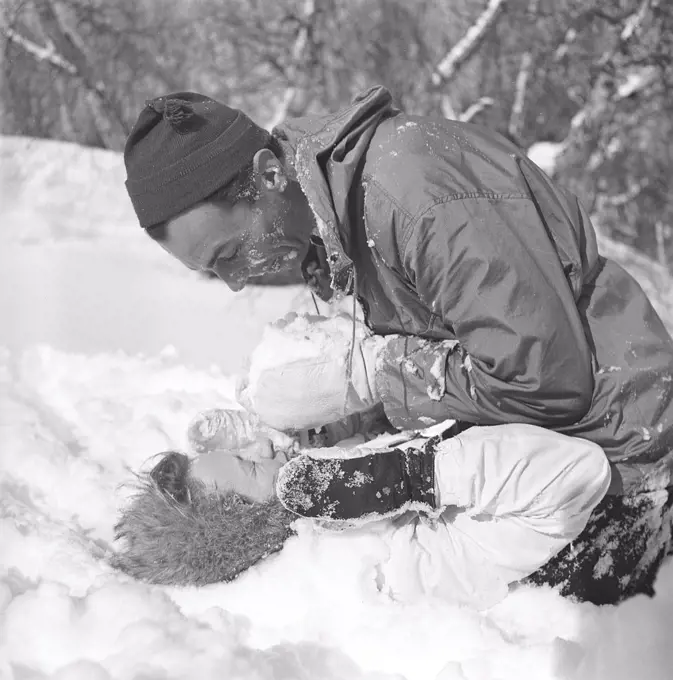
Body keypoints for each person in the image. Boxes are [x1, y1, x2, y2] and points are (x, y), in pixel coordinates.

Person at [122, 86, 673, 598]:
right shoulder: (326, 223)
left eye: (230, 254)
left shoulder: (415, 194)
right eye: (215, 271)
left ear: (267, 176)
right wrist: (326, 428)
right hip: (539, 450)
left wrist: (378, 379)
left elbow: (544, 382)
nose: (238, 281)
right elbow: (441, 346)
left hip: (619, 457)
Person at [114, 408, 616, 608]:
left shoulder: (315, 513)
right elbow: (577, 475)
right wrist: (413, 478)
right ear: (252, 528)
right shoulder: (392, 566)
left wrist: (309, 437)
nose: (264, 452)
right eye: (248, 466)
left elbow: (362, 447)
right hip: (631, 501)